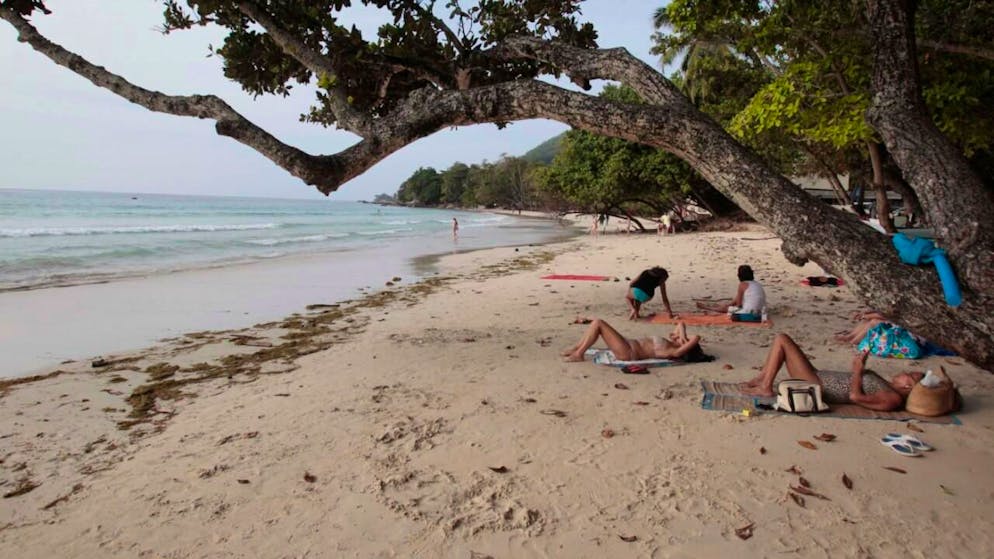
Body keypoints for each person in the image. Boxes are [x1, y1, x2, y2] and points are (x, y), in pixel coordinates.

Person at [741, 333, 922, 411]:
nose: (906, 371)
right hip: (819, 376)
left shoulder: (893, 398)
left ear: (908, 386)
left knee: (782, 339)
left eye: (911, 375)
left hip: (820, 385)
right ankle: (762, 378)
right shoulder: (888, 387)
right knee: (781, 341)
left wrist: (858, 371)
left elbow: (855, 397)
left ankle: (765, 386)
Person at [562, 319, 704, 362]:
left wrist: (684, 339)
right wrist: (682, 336)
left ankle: (579, 354)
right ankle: (577, 348)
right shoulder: (673, 343)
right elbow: (680, 324)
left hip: (628, 352)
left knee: (598, 323)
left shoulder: (675, 351)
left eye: (685, 341)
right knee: (595, 324)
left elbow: (697, 337)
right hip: (627, 344)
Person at [696, 265, 766, 316]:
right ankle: (717, 308)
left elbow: (738, 305)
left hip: (750, 313)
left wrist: (728, 307)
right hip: (761, 312)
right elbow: (738, 299)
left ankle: (709, 309)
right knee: (729, 306)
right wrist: (729, 304)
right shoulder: (757, 284)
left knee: (729, 309)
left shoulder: (742, 284)